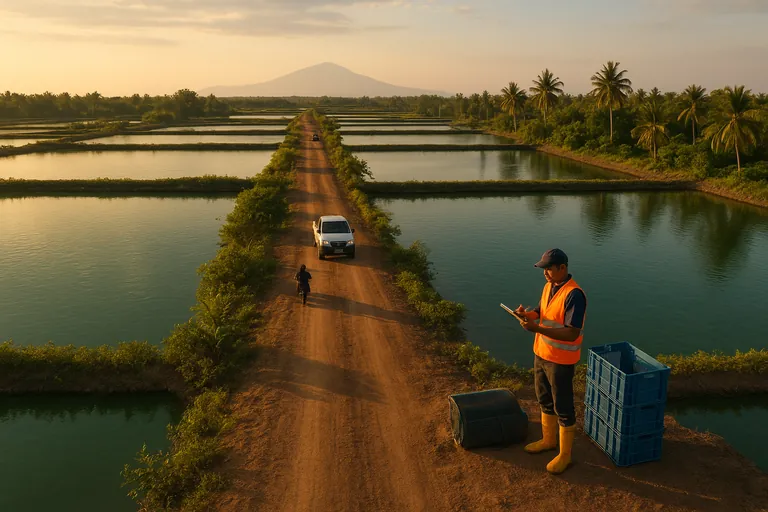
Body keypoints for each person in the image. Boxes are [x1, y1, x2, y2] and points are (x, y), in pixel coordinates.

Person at [515, 248, 587, 475]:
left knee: (563, 406)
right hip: (542, 354)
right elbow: (542, 310)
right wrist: (528, 315)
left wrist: (536, 328)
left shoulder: (575, 295)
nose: (545, 273)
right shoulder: (549, 286)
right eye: (543, 269)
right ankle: (548, 441)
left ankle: (565, 455)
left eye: (548, 269)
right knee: (544, 399)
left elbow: (572, 333)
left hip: (561, 361)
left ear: (562, 268)